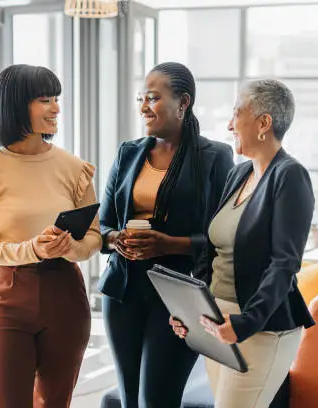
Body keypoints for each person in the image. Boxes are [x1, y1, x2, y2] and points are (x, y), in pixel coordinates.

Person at [170, 79, 316, 408]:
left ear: (264, 123)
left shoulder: (290, 176)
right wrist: (193, 312)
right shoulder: (239, 174)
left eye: (237, 113)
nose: (228, 124)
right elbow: (212, 252)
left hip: (258, 327)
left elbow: (284, 264)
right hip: (219, 322)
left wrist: (246, 322)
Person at [0, 64, 101, 408]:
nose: (56, 108)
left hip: (65, 295)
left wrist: (73, 246)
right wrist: (31, 249)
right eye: (45, 100)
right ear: (14, 105)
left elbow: (95, 238)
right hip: (7, 298)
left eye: (56, 98)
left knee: (56, 403)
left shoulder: (75, 168)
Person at [99, 62, 235, 407]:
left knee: (157, 399)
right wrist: (116, 239)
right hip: (122, 290)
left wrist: (167, 244)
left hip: (179, 296)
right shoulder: (128, 153)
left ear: (183, 102)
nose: (143, 106)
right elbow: (102, 225)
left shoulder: (215, 157)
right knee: (129, 398)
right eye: (140, 98)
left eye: (153, 98)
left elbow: (224, 238)